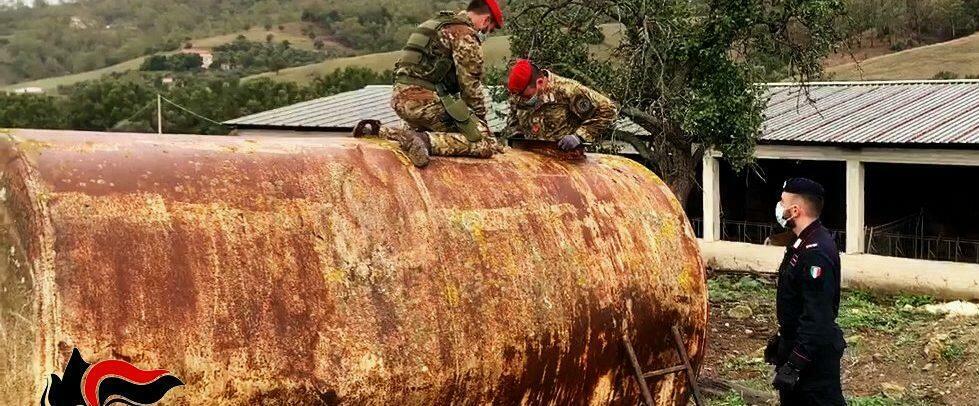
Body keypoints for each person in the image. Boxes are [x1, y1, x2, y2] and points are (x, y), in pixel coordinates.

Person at [358, 0, 506, 167]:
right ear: (486, 20)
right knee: (485, 142)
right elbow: (470, 86)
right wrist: (480, 120)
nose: (486, 33)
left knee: (439, 127)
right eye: (490, 29)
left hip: (401, 100)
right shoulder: (464, 34)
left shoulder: (433, 25)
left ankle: (379, 131)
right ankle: (423, 140)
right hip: (424, 103)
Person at [764, 178, 847, 405]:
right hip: (800, 348)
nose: (779, 208)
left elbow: (818, 317)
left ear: (795, 210)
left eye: (782, 203)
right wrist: (782, 344)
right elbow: (798, 304)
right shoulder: (803, 242)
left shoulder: (815, 251)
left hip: (814, 360)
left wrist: (795, 363)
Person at [503, 58, 618, 150]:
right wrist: (516, 136)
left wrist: (579, 136)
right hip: (532, 159)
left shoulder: (568, 90)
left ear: (540, 82)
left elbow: (608, 109)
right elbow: (514, 117)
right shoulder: (519, 94)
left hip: (566, 160)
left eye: (525, 96)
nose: (521, 99)